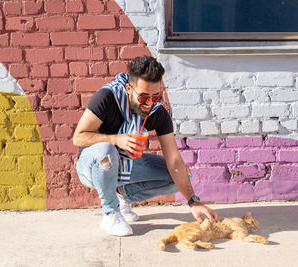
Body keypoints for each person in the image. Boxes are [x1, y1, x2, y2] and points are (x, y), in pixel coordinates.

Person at [73, 56, 218, 236]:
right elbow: (78, 138)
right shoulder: (107, 97)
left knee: (182, 175)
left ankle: (120, 195)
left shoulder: (158, 112)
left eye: (155, 96)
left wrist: (193, 202)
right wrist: (116, 140)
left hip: (124, 166)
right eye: (143, 97)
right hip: (92, 167)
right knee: (107, 150)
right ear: (128, 89)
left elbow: (174, 161)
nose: (149, 103)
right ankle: (110, 213)